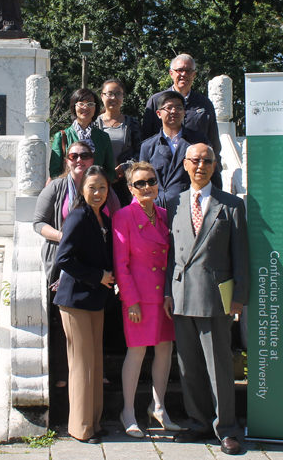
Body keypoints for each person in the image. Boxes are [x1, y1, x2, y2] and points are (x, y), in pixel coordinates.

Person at [164, 143, 249, 456]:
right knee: (189, 367)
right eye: (195, 160)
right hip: (181, 295)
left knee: (220, 368)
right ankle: (199, 422)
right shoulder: (173, 202)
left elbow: (241, 255)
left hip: (216, 297)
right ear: (185, 164)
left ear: (216, 165)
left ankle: (226, 428)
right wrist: (165, 292)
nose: (201, 165)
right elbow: (170, 254)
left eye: (207, 161)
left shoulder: (231, 205)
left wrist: (239, 297)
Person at [112, 162, 179, 438]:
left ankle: (158, 407)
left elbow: (172, 259)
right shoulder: (123, 217)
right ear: (130, 188)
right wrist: (131, 301)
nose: (147, 186)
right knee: (137, 352)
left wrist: (169, 293)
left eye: (151, 181)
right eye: (140, 183)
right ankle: (128, 410)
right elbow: (121, 264)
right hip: (138, 297)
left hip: (163, 297)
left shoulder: (164, 214)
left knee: (165, 350)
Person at [53, 165, 115, 444]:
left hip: (94, 299)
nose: (98, 192)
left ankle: (95, 421)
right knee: (81, 363)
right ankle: (80, 427)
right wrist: (98, 276)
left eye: (102, 187)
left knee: (95, 362)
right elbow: (63, 259)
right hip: (75, 299)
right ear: (81, 190)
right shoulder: (77, 216)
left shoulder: (102, 218)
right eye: (92, 187)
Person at [33, 141, 94, 389]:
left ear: (92, 159)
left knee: (93, 315)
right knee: (63, 318)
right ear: (67, 160)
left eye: (85, 155)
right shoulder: (57, 187)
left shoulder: (99, 185)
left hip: (92, 260)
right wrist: (63, 237)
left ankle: (93, 369)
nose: (79, 160)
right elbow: (38, 223)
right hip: (63, 260)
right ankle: (62, 372)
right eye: (73, 156)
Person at [140, 90, 222, 206]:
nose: (174, 111)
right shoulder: (147, 146)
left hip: (191, 206)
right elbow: (142, 181)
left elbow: (214, 174)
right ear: (158, 113)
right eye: (169, 108)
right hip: (157, 210)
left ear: (184, 112)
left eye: (178, 108)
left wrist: (216, 204)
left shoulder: (199, 141)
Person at [142, 54, 221, 162]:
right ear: (171, 73)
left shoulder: (204, 103)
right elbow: (146, 139)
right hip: (163, 166)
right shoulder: (156, 101)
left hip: (196, 167)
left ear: (194, 74)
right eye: (179, 70)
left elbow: (213, 143)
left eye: (188, 71)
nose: (184, 74)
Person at [49, 88, 116, 183]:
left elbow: (110, 171)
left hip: (96, 191)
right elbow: (54, 172)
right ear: (74, 106)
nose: (85, 107)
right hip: (69, 191)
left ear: (95, 108)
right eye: (81, 104)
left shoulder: (103, 137)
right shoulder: (61, 136)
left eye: (90, 104)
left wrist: (98, 183)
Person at [95, 79, 142, 206]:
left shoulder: (132, 123)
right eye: (109, 94)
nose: (114, 98)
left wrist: (124, 167)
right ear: (102, 96)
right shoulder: (93, 124)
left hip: (125, 182)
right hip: (98, 181)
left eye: (118, 94)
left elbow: (139, 151)